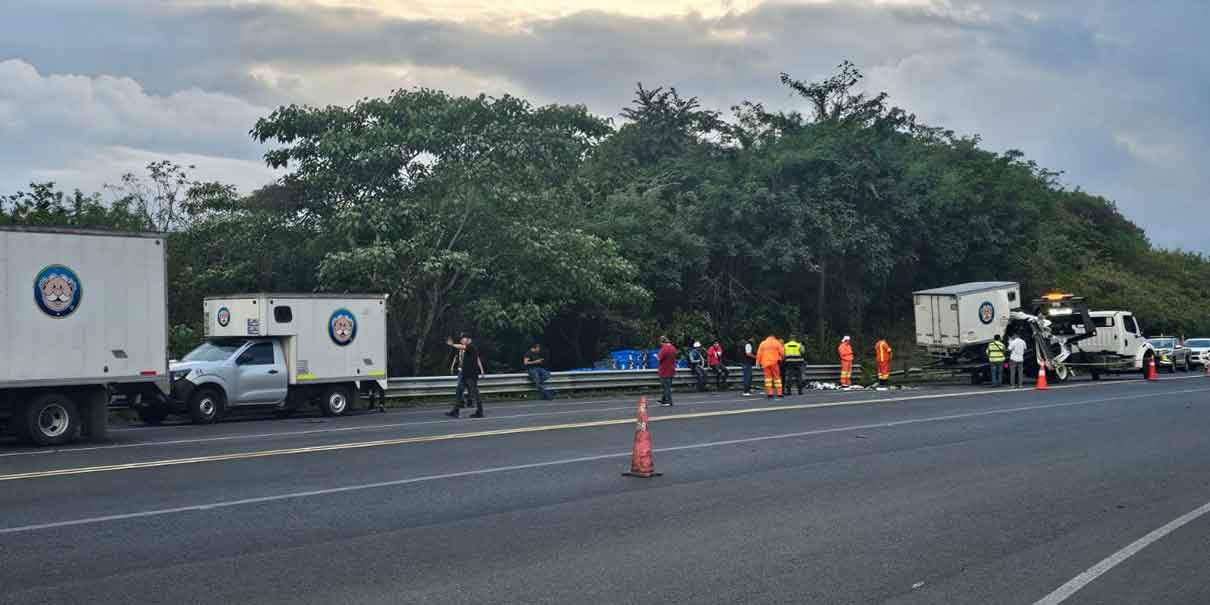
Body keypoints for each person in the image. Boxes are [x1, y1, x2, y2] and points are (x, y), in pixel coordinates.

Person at [446, 334, 486, 418]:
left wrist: (452, 344)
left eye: (465, 339)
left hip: (471, 376)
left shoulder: (471, 347)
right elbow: (461, 349)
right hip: (465, 375)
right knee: (459, 391)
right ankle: (455, 411)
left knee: (475, 393)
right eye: (463, 339)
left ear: (469, 340)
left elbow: (462, 347)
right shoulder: (467, 348)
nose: (463, 340)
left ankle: (480, 411)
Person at [756, 334, 784, 399]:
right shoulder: (776, 342)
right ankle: (779, 393)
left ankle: (770, 393)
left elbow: (759, 353)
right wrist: (782, 358)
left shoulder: (763, 343)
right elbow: (782, 352)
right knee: (777, 378)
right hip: (774, 362)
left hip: (765, 363)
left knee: (768, 379)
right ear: (774, 337)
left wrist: (757, 362)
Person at [656, 336, 678, 406]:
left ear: (662, 342)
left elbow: (659, 358)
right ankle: (663, 400)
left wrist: (656, 356)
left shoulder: (664, 349)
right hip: (671, 370)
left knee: (666, 387)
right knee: (667, 386)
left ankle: (669, 402)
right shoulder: (673, 348)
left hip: (664, 370)